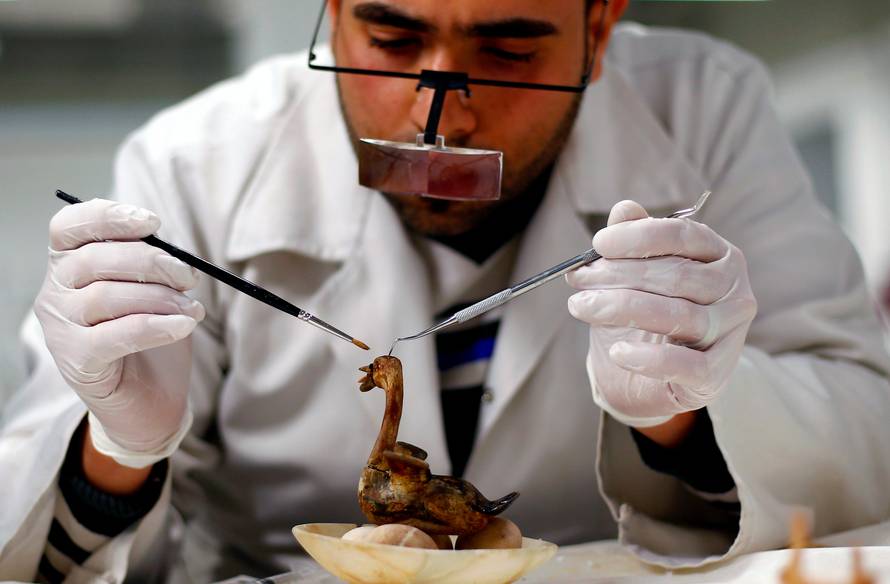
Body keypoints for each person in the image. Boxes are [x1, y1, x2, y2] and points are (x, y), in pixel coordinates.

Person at [2, 0, 890, 581]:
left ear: (602, 23)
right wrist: (116, 451)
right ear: (333, 11)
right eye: (390, 40)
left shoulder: (706, 111)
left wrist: (686, 419)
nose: (438, 121)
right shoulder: (194, 165)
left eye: (507, 46)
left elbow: (868, 437)